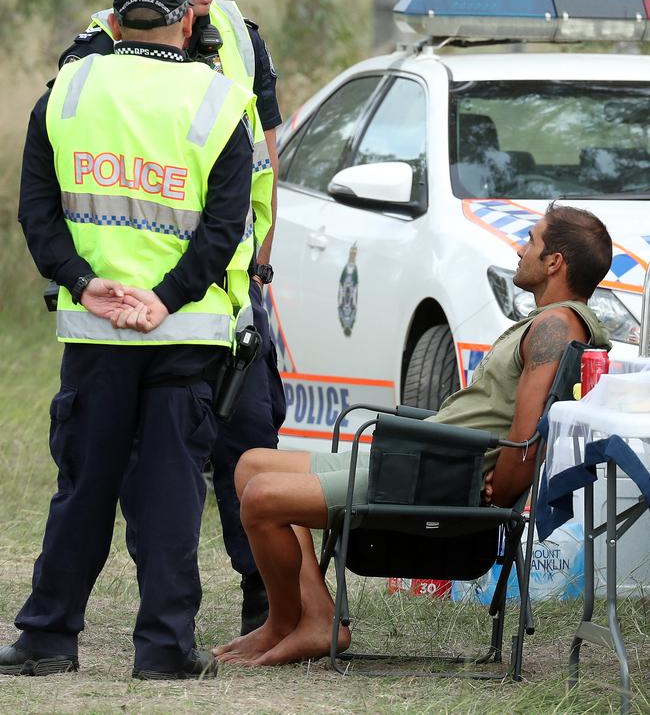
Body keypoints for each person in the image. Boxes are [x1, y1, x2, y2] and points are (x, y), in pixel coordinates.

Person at [212, 204, 613, 667]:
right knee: (253, 464)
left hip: (436, 476)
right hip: (422, 458)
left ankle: (292, 624)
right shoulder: (550, 322)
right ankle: (312, 617)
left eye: (532, 240)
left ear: (554, 262)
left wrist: (496, 491)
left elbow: (525, 439)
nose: (521, 249)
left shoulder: (555, 328)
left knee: (262, 497)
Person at [1, 0, 255, 679]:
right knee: (172, 489)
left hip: (96, 330)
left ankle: (48, 637)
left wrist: (83, 283)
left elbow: (36, 213)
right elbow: (225, 229)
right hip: (183, 332)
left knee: (83, 485)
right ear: (187, 22)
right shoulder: (220, 100)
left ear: (113, 25)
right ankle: (165, 650)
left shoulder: (67, 93)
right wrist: (167, 298)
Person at [58, 0, 286, 633]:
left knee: (248, 444)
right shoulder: (98, 41)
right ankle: (107, 618)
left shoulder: (242, 41)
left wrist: (260, 262)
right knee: (117, 466)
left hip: (228, 292)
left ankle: (267, 600)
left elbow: (265, 152)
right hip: (123, 297)